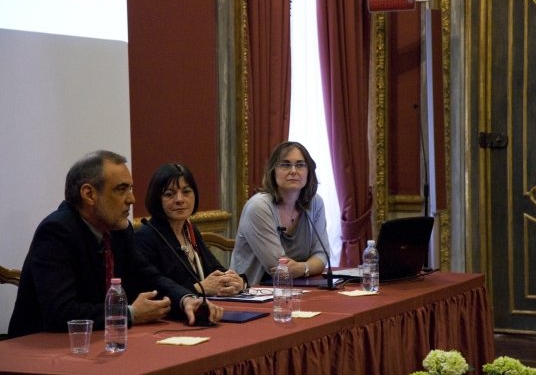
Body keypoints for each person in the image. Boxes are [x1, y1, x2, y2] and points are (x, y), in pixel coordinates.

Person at [8, 150, 223, 338]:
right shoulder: (57, 232)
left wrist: (186, 299)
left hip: (102, 340)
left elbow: (149, 277)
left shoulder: (119, 230)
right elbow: (61, 312)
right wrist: (129, 314)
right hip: (41, 349)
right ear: (89, 194)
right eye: (121, 189)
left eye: (130, 189)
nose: (132, 199)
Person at [135, 163, 246, 296]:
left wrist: (237, 281)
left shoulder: (189, 230)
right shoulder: (146, 238)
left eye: (186, 192)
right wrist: (199, 288)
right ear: (156, 199)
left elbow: (215, 270)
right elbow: (153, 291)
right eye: (169, 194)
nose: (180, 199)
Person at [230, 141, 331, 285]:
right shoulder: (259, 207)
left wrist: (303, 268)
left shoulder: (315, 203)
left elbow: (322, 255)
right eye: (285, 165)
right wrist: (308, 267)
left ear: (309, 172)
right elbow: (279, 268)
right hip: (252, 291)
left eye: (300, 165)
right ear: (273, 171)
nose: (293, 171)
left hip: (299, 287)